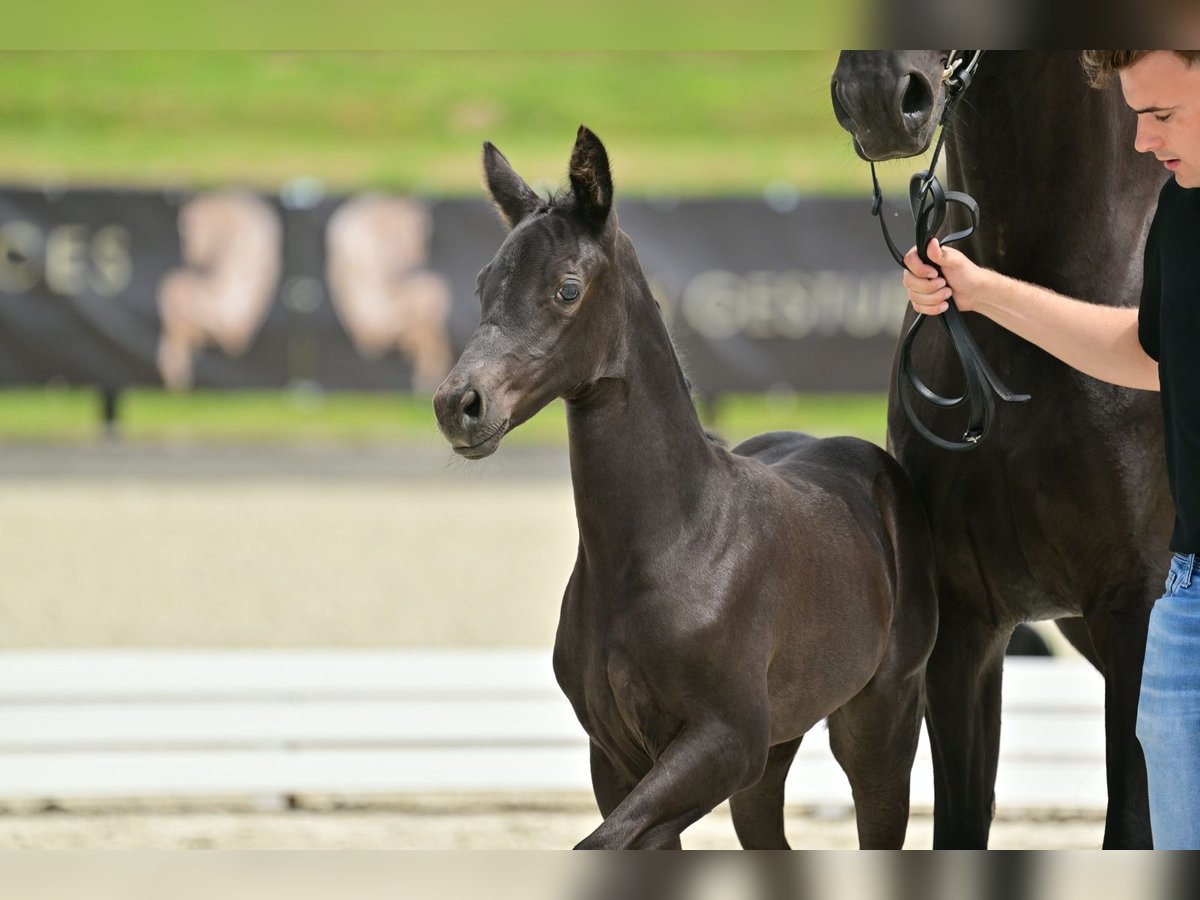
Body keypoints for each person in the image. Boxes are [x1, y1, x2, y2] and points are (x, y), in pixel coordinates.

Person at [901, 49, 1200, 850]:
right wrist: (978, 289)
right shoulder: (1181, 213)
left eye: (1162, 116)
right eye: (1135, 116)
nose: (1141, 142)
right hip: (1185, 602)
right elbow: (1142, 353)